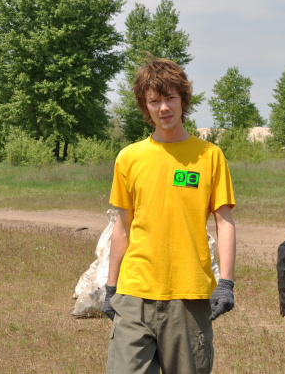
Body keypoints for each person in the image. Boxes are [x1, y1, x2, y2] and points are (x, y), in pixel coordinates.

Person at [101, 53, 236, 374]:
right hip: (134, 293)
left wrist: (226, 282)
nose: (163, 107)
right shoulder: (129, 158)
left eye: (170, 98)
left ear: (183, 100)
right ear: (144, 107)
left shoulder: (209, 156)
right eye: (154, 101)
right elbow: (122, 227)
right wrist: (110, 286)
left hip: (188, 295)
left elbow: (224, 223)